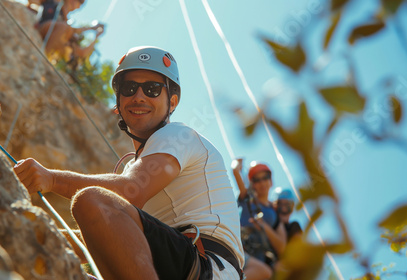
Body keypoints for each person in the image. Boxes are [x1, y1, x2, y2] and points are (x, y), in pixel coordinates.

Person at [14, 46, 245, 280]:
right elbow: (106, 232)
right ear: (118, 102)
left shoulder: (178, 135)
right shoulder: (137, 165)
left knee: (92, 199)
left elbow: (128, 193)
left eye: (153, 89)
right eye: (129, 88)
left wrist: (52, 179)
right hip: (179, 266)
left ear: (172, 102)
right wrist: (41, 235)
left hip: (207, 269)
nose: (139, 96)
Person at [231, 159, 286, 280]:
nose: (262, 183)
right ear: (252, 184)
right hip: (239, 251)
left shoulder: (274, 212)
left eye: (265, 177)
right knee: (264, 271)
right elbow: (235, 171)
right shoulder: (247, 199)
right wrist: (237, 163)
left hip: (256, 262)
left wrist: (264, 227)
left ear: (271, 181)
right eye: (256, 179)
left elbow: (282, 247)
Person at [31, 0, 105, 63]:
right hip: (42, 28)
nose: (78, 7)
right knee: (64, 27)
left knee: (67, 34)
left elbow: (82, 52)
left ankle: (44, 59)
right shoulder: (54, 3)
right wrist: (91, 28)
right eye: (80, 2)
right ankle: (42, 58)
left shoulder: (67, 27)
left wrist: (96, 37)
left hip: (57, 38)